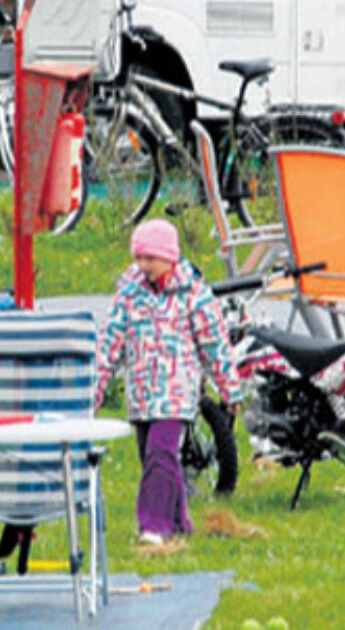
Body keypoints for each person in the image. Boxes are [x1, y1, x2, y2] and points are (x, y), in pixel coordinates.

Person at [94, 219, 242, 546]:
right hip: (142, 394)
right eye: (138, 258)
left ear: (169, 258)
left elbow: (215, 344)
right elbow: (109, 341)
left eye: (150, 258)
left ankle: (154, 527)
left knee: (161, 453)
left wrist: (229, 388)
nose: (142, 265)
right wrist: (96, 386)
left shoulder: (194, 294)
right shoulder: (129, 293)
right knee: (155, 458)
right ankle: (179, 523)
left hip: (177, 393)